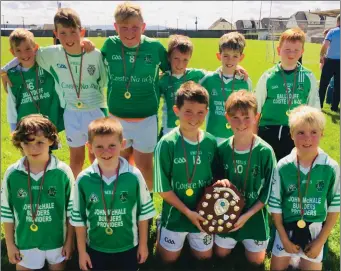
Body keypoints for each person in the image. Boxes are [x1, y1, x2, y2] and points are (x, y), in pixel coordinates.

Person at [1, 8, 105, 179]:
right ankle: (72, 194)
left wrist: (86, 42)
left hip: (95, 109)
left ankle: (99, 188)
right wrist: (4, 70)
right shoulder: (50, 54)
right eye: (63, 33)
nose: (69, 37)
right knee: (76, 159)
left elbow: (103, 80)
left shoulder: (93, 54)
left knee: (97, 155)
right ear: (56, 33)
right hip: (72, 113)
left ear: (81, 31)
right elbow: (27, 53)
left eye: (73, 32)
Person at [153, 81, 229, 265]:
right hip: (177, 212)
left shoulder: (210, 142)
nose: (194, 117)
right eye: (188, 111)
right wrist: (187, 212)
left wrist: (222, 183)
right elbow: (162, 188)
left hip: (203, 213)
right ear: (176, 110)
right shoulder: (167, 143)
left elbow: (217, 177)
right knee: (166, 260)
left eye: (200, 112)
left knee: (204, 259)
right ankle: (162, 224)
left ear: (207, 111)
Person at [101, 1, 170, 192]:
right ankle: (123, 205)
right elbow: (88, 59)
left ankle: (145, 212)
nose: (129, 33)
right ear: (115, 27)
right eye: (123, 28)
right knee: (119, 167)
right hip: (117, 119)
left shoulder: (154, 48)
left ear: (144, 27)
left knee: (145, 168)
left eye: (135, 28)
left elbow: (175, 70)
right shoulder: (110, 45)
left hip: (146, 119)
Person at [71, 117, 155, 271]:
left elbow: (143, 215)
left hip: (128, 246)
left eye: (112, 146)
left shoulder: (134, 176)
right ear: (89, 147)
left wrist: (143, 245)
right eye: (99, 146)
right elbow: (78, 219)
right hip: (96, 247)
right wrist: (82, 252)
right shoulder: (83, 179)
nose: (106, 152)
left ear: (122, 144)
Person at [269, 105, 340, 271]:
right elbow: (275, 207)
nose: (307, 138)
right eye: (301, 132)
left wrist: (320, 241)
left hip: (315, 231)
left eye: (313, 132)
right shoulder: (283, 166)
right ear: (291, 134)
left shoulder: (331, 167)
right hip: (286, 229)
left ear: (322, 133)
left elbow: (334, 208)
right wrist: (284, 239)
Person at [1, 114, 74, 270]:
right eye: (27, 143)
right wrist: (10, 245)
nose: (33, 148)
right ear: (19, 143)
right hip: (25, 241)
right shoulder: (12, 173)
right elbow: (6, 211)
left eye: (40, 142)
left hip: (57, 241)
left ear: (51, 141)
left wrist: (69, 241)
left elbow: (72, 210)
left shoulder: (62, 172)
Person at [213, 91, 276, 266]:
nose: (241, 123)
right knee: (220, 254)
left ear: (256, 117)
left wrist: (247, 215)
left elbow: (268, 191)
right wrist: (219, 184)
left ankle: (249, 240)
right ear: (227, 118)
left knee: (256, 262)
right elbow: (214, 183)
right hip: (226, 213)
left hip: (253, 213)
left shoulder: (265, 152)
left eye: (246, 117)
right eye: (235, 117)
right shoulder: (222, 149)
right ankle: (233, 240)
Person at [255, 28, 320, 161]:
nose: (291, 54)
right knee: (268, 169)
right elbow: (256, 108)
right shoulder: (268, 76)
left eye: (296, 50)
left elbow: (314, 110)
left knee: (291, 170)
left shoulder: (308, 76)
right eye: (287, 50)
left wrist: (313, 137)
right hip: (268, 131)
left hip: (296, 132)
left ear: (302, 52)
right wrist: (254, 135)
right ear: (279, 50)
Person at [6, 29, 64, 133]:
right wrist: (13, 128)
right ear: (12, 52)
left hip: (49, 123)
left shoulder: (46, 65)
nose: (24, 54)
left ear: (35, 48)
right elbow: (11, 103)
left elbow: (64, 50)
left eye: (28, 49)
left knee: (46, 148)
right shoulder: (11, 75)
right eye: (18, 50)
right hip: (25, 127)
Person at [200, 32, 252, 145]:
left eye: (235, 56)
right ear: (219, 56)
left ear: (241, 57)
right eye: (226, 56)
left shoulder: (245, 82)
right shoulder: (208, 79)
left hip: (236, 137)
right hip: (212, 136)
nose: (230, 60)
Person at [159, 34, 206, 137]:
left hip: (190, 129)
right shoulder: (162, 79)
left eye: (185, 60)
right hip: (168, 129)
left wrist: (237, 68)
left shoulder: (196, 75)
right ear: (169, 57)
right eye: (176, 58)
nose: (180, 64)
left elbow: (218, 76)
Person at [319, 15, 340, 112]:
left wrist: (321, 56)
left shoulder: (332, 31)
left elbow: (325, 45)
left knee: (323, 84)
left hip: (330, 61)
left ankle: (319, 105)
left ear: (337, 21)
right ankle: (334, 107)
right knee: (338, 86)